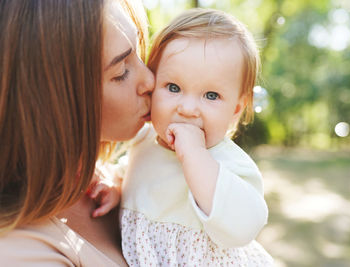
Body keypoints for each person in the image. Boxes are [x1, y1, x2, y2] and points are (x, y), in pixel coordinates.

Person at [0, 0, 154, 266]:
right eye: (121, 72)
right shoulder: (6, 251)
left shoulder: (108, 180)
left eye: (138, 51)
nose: (150, 80)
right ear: (47, 101)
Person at [93, 8, 274, 266]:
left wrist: (195, 155)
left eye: (211, 95)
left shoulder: (227, 164)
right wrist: (118, 189)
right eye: (174, 88)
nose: (188, 109)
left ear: (235, 109)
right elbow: (137, 175)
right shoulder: (144, 140)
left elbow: (245, 226)